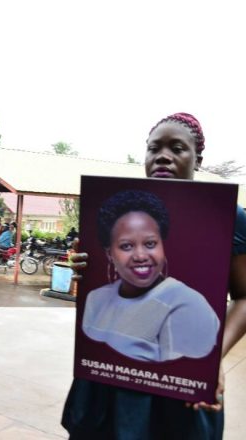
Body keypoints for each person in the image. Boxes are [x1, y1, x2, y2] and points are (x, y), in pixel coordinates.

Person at [62, 112, 246, 439]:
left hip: (181, 380)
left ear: (198, 159)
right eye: (154, 148)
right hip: (111, 380)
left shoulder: (227, 215)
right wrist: (86, 271)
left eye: (177, 148)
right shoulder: (114, 208)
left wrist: (212, 360)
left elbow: (245, 297)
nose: (163, 156)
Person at [83, 189, 219, 362]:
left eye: (150, 243)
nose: (140, 256)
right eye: (126, 246)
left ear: (162, 245)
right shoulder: (95, 299)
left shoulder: (187, 305)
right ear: (109, 254)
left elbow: (186, 374)